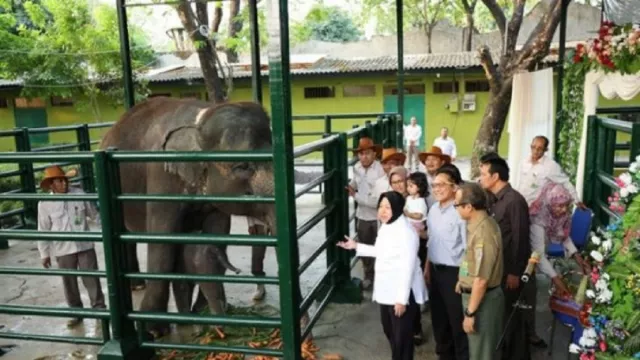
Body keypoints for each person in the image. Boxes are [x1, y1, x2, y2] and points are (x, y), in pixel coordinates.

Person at [338, 191, 428, 360]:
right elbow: (381, 251)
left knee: (402, 338)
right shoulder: (388, 226)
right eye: (380, 206)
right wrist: (356, 246)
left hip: (402, 293)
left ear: (398, 208)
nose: (382, 211)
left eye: (388, 207)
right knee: (389, 329)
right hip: (387, 289)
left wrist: (401, 299)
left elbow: (407, 267)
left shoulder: (406, 232)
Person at [523, 182, 592, 348]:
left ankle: (528, 332)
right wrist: (556, 278)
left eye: (566, 206)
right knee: (527, 292)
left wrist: (577, 257)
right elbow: (538, 254)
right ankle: (526, 335)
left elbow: (564, 237)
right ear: (550, 203)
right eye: (559, 206)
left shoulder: (561, 214)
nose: (563, 210)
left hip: (538, 252)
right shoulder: (539, 218)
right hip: (526, 254)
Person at [37, 165, 106, 328]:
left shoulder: (79, 195)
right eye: (59, 181)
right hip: (63, 248)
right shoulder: (45, 204)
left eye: (64, 180)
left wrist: (105, 231)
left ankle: (99, 310)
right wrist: (44, 254)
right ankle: (76, 313)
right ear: (51, 185)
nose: (64, 184)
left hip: (85, 245)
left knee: (91, 279)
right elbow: (43, 229)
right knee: (69, 282)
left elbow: (94, 215)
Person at [478, 153, 531, 360]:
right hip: (496, 269)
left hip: (510, 271)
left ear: (496, 176)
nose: (480, 178)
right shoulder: (491, 198)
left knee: (513, 319)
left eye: (483, 174)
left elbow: (520, 239)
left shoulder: (514, 201)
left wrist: (515, 272)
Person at [249, 168, 327, 301]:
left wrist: (324, 173)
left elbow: (302, 176)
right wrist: (251, 223)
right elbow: (246, 200)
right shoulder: (252, 171)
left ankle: (286, 289)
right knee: (257, 256)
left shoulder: (280, 169)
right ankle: (260, 284)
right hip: (258, 220)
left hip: (278, 219)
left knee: (284, 258)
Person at [454, 182, 505, 360]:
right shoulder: (478, 225)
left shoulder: (483, 232)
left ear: (468, 207)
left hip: (483, 302)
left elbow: (482, 279)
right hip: (477, 297)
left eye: (457, 205)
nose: (456, 209)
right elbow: (472, 262)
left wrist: (470, 313)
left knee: (482, 354)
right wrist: (462, 280)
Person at [425, 164, 469, 360]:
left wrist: (463, 277)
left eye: (442, 185)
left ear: (455, 187)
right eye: (434, 185)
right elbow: (431, 241)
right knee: (439, 320)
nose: (437, 189)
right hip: (435, 271)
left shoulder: (461, 212)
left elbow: (468, 249)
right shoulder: (433, 209)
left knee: (457, 321)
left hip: (455, 274)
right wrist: (427, 267)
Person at [346, 137, 385, 290]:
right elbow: (355, 183)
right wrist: (350, 186)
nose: (364, 157)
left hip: (377, 216)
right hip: (362, 215)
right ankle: (369, 276)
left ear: (374, 154)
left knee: (380, 247)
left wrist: (354, 195)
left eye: (367, 153)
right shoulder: (357, 168)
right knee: (364, 246)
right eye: (361, 154)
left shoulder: (380, 170)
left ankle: (381, 276)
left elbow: (377, 200)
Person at [516, 135, 584, 208]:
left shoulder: (551, 166)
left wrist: (577, 201)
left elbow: (565, 182)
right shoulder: (524, 162)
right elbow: (519, 183)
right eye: (533, 147)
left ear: (546, 149)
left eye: (540, 148)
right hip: (518, 204)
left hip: (534, 210)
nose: (535, 151)